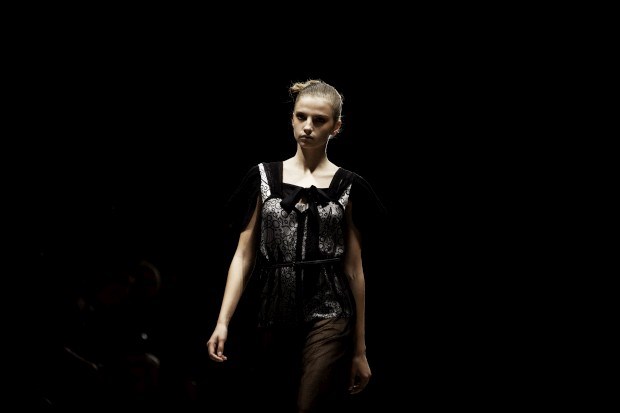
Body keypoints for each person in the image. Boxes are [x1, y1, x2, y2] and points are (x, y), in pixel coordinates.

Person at [206, 79, 385, 412]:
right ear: (291, 118)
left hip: (330, 312)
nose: (308, 126)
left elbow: (354, 268)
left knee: (308, 407)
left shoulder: (349, 185)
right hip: (271, 312)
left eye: (319, 120)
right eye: (301, 116)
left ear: (337, 126)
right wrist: (222, 321)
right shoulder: (263, 176)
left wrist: (360, 350)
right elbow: (243, 256)